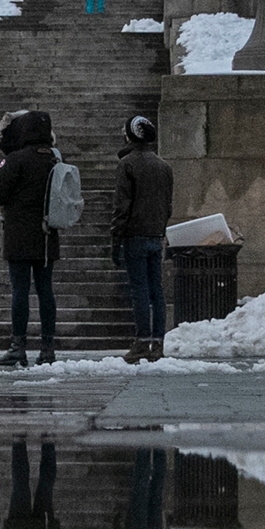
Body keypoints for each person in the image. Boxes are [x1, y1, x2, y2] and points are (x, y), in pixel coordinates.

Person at [0, 109, 59, 367]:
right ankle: (48, 347)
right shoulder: (54, 159)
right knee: (45, 291)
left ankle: (18, 345)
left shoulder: (17, 160)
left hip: (19, 235)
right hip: (48, 235)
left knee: (20, 291)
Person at [113, 115, 174, 363]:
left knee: (139, 289)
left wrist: (116, 237)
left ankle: (141, 341)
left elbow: (121, 206)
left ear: (130, 135)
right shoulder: (164, 166)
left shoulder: (127, 164)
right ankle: (158, 342)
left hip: (134, 234)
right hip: (155, 234)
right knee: (156, 290)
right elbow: (167, 206)